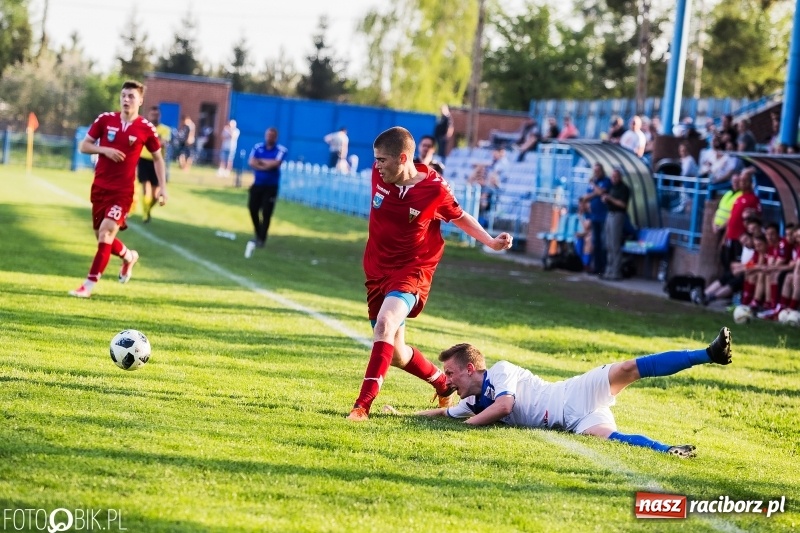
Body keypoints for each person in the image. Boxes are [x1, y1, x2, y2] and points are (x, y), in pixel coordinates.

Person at [347, 126, 514, 421]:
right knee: (396, 354)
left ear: (402, 158)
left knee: (384, 325)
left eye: (382, 160)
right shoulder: (380, 174)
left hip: (412, 270)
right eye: (375, 159)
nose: (376, 166)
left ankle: (362, 406)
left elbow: (460, 217)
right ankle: (440, 381)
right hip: (376, 270)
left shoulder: (433, 189)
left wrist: (490, 241)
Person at [402, 327, 732, 458]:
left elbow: (504, 406)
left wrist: (468, 427)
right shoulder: (472, 402)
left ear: (470, 369)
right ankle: (669, 449)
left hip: (573, 393)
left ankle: (708, 354)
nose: (446, 381)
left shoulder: (499, 371)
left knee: (628, 370)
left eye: (450, 373)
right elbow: (444, 413)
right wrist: (403, 415)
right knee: (607, 436)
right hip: (573, 421)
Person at [68, 80, 168, 298]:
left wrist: (163, 188)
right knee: (102, 237)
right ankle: (128, 257)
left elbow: (158, 159)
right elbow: (83, 145)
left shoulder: (146, 129)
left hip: (122, 193)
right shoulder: (105, 120)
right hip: (100, 188)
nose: (126, 99)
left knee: (106, 233)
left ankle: (88, 286)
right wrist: (104, 149)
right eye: (123, 95)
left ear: (140, 100)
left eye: (131, 96)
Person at [245, 127, 288, 258]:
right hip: (257, 184)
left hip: (271, 186)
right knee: (252, 208)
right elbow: (251, 161)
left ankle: (261, 239)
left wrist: (261, 162)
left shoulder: (280, 150)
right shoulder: (258, 147)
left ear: (276, 137)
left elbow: (275, 164)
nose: (269, 137)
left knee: (266, 212)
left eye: (272, 135)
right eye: (268, 135)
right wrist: (264, 164)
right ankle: (258, 233)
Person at [137, 105, 171, 223]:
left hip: (157, 162)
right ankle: (145, 214)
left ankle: (148, 210)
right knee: (146, 189)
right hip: (144, 160)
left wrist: (153, 141)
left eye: (156, 115)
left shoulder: (165, 129)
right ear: (149, 115)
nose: (154, 116)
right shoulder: (143, 128)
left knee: (156, 195)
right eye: (152, 114)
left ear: (159, 116)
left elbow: (162, 142)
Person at [580, 163, 611, 275]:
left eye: (598, 171)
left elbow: (602, 192)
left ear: (602, 171)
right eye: (595, 171)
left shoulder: (606, 181)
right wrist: (595, 193)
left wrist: (594, 187)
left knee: (603, 243)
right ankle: (596, 267)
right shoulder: (595, 183)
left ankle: (603, 267)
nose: (596, 173)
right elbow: (586, 197)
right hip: (594, 217)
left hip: (604, 217)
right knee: (595, 242)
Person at [601, 168, 630, 281]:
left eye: (616, 177)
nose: (614, 179)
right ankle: (609, 270)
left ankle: (616, 272)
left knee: (615, 244)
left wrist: (610, 199)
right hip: (609, 215)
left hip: (618, 216)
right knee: (608, 244)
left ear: (620, 177)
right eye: (612, 177)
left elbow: (623, 204)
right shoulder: (612, 187)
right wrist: (605, 199)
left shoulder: (624, 188)